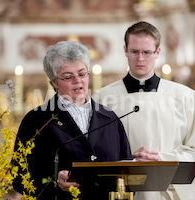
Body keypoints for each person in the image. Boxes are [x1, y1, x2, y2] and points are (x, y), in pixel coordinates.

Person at [93, 21, 195, 200]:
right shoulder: (102, 98)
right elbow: (93, 152)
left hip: (164, 193)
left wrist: (162, 158)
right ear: (125, 50)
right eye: (134, 51)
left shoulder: (184, 96)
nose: (140, 59)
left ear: (157, 52)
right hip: (120, 193)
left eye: (146, 52)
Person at [12, 41, 133, 199]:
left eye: (82, 74)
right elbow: (19, 178)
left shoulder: (110, 118)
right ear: (54, 83)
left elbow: (129, 172)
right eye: (68, 77)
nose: (78, 81)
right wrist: (55, 183)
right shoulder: (36, 120)